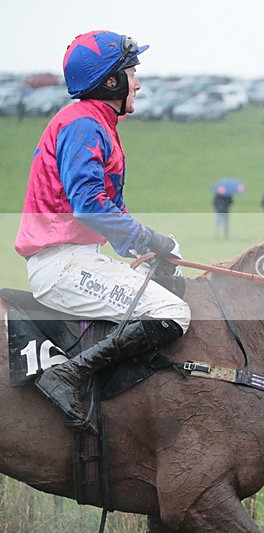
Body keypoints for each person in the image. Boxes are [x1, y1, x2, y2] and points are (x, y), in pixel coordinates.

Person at [14, 30, 190, 434]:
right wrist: (151, 240)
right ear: (111, 81)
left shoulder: (95, 123)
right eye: (132, 72)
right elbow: (89, 205)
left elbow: (107, 207)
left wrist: (144, 248)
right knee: (171, 312)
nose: (139, 82)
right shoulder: (83, 126)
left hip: (79, 257)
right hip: (62, 264)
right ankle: (67, 376)